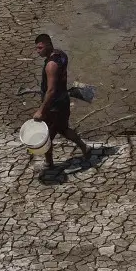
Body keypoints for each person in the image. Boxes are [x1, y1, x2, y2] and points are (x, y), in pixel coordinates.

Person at [32, 33, 92, 170]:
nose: (38, 51)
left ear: (48, 45)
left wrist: (41, 110)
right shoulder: (61, 55)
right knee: (63, 129)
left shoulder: (51, 65)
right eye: (37, 48)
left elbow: (51, 90)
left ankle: (48, 164)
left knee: (46, 136)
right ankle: (85, 147)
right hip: (63, 101)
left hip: (54, 107)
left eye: (40, 48)